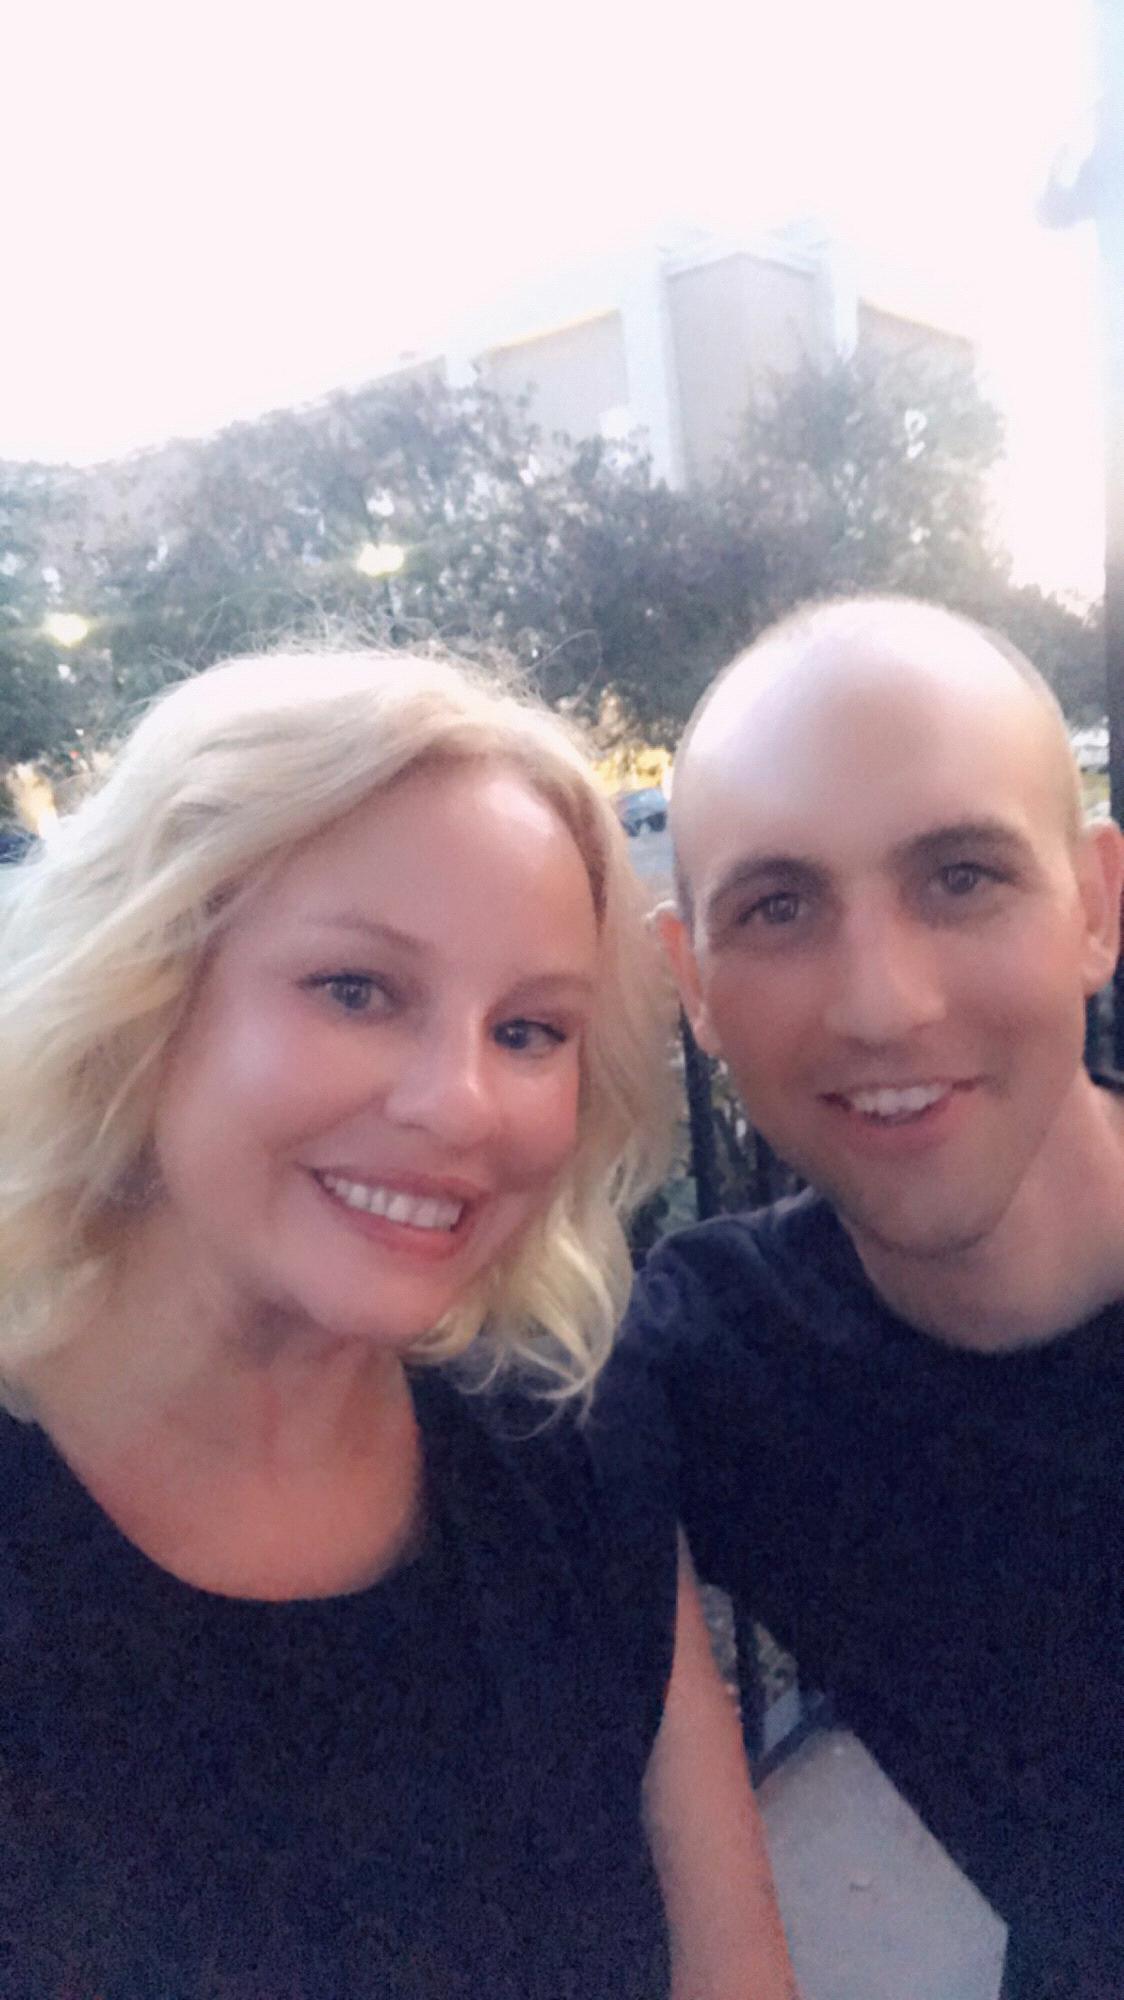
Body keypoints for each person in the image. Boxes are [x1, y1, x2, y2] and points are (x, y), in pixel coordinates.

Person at [0, 650, 797, 2000]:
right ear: (144, 989)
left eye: (530, 1030)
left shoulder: (566, 1440)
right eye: (357, 990)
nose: (462, 1104)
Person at [610, 597, 1124, 1999]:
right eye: (778, 909)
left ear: (1097, 908)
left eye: (961, 876)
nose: (883, 1004)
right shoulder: (714, 1365)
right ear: (693, 984)